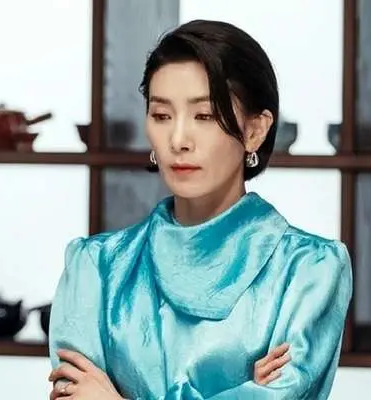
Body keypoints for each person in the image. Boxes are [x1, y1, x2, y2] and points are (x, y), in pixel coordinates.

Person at [47, 19, 353, 399]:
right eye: (162, 116)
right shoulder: (96, 267)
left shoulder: (308, 270)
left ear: (255, 131)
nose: (178, 140)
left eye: (204, 116)